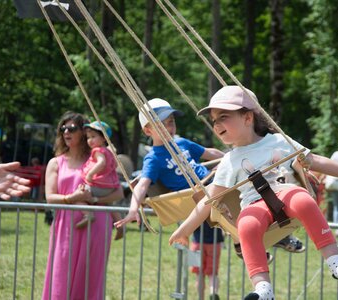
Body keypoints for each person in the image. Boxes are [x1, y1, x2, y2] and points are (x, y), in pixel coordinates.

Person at [169, 86, 338, 299]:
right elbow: (209, 201)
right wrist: (184, 229)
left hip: (284, 191)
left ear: (248, 117)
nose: (217, 124)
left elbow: (316, 161)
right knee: (245, 225)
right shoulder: (229, 161)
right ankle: (263, 288)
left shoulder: (279, 141)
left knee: (303, 201)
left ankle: (335, 262)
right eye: (214, 120)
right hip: (254, 205)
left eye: (223, 117)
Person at [114, 98, 226, 299]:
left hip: (211, 181)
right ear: (148, 131)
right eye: (162, 124)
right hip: (197, 194)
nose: (169, 127)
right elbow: (142, 185)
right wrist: (133, 209)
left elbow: (210, 153)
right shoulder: (154, 158)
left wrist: (229, 157)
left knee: (242, 171)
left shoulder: (182, 142)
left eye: (171, 122)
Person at [42, 111, 124, 300]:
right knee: (61, 274)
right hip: (66, 226)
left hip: (96, 225)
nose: (66, 132)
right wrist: (72, 198)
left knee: (91, 278)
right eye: (63, 128)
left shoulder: (98, 159)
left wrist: (94, 201)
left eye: (71, 128)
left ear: (84, 132)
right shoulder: (56, 162)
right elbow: (49, 197)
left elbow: (118, 193)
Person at [78, 120, 124, 240]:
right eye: (88, 137)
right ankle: (120, 225)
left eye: (93, 137)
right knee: (110, 205)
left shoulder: (98, 151)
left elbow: (101, 163)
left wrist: (90, 174)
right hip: (109, 188)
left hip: (97, 186)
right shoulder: (109, 152)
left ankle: (88, 215)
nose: (90, 140)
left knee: (78, 196)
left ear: (104, 138)